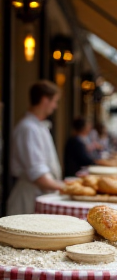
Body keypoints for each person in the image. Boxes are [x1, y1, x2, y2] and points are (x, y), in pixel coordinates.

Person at [8, 80, 64, 215]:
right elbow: (39, 176)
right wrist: (67, 188)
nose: (55, 106)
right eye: (54, 101)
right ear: (45, 100)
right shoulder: (28, 128)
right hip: (29, 197)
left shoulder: (38, 126)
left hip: (37, 194)